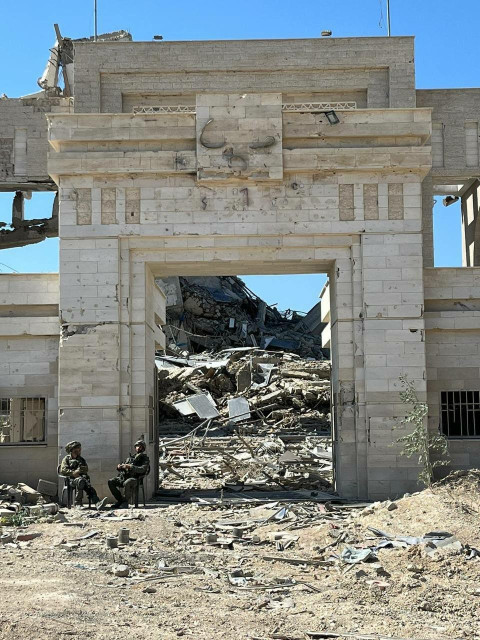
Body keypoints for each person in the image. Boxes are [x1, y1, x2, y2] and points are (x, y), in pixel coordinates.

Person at [108, 439, 150, 508]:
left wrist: (131, 467)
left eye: (140, 446)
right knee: (111, 482)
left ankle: (125, 502)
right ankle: (120, 500)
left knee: (127, 482)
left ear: (143, 448)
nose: (138, 448)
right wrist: (120, 467)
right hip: (124, 477)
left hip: (135, 479)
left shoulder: (144, 458)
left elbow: (142, 469)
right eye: (137, 446)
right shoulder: (130, 458)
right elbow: (123, 467)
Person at [60, 441, 102, 507]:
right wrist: (73, 473)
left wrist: (80, 471)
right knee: (81, 481)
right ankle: (78, 503)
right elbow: (63, 470)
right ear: (72, 449)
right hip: (71, 480)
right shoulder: (66, 459)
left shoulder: (81, 459)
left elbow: (86, 469)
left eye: (79, 448)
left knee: (88, 486)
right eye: (77, 448)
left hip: (81, 478)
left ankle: (97, 503)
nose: (79, 450)